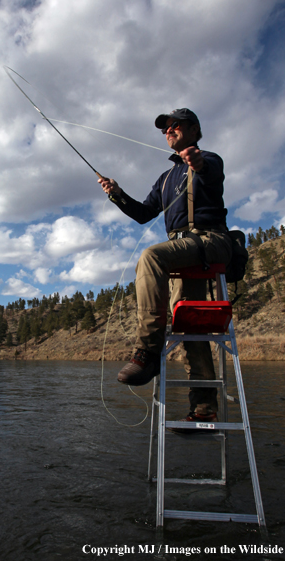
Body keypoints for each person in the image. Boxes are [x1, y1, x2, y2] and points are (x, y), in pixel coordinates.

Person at [98, 108, 232, 424]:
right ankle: (204, 409)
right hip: (182, 252)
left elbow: (209, 170)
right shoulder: (165, 178)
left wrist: (196, 161)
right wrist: (117, 195)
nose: (168, 130)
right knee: (189, 326)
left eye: (175, 125)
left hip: (210, 241)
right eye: (164, 129)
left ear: (194, 129)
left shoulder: (209, 159)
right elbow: (144, 213)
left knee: (150, 256)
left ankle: (147, 351)